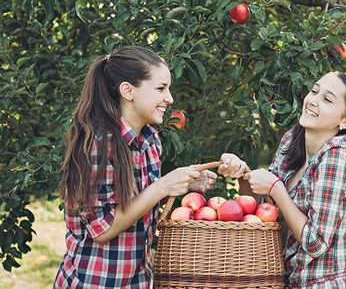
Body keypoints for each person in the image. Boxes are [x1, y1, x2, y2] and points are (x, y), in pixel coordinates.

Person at [53, 46, 248, 288]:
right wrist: (163, 185)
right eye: (160, 88)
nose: (170, 98)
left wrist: (187, 184)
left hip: (137, 279)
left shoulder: (150, 140)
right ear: (128, 91)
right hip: (95, 281)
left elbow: (139, 206)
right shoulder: (98, 144)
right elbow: (101, 230)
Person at [243, 71, 346, 288]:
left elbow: (316, 244)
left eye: (327, 99)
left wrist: (276, 188)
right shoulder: (292, 140)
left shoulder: (337, 157)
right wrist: (243, 176)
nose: (313, 100)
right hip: (289, 280)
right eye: (314, 91)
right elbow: (267, 212)